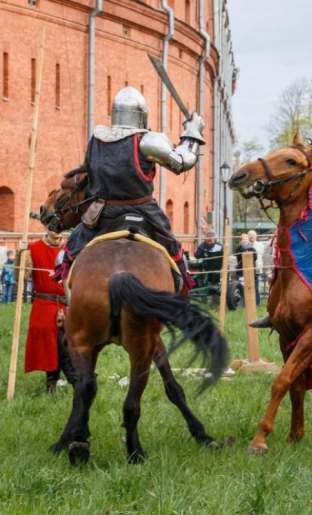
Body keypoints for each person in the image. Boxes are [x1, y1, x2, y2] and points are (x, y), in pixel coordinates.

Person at [53, 86, 204, 294]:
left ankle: (70, 296)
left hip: (101, 213)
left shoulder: (97, 139)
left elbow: (89, 173)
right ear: (142, 115)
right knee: (175, 253)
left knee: (67, 254)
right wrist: (193, 131)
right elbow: (182, 161)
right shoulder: (148, 140)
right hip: (143, 211)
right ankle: (181, 293)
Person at [14, 230, 76, 391]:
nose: (56, 230)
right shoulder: (33, 248)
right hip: (44, 305)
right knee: (49, 346)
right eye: (52, 226)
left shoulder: (72, 247)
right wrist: (20, 254)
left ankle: (74, 379)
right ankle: (55, 381)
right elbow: (21, 276)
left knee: (69, 343)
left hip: (68, 304)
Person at [247, 230, 265, 306]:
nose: (252, 236)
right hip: (247, 269)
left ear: (256, 236)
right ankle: (248, 303)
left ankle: (257, 303)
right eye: (250, 235)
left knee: (257, 287)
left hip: (257, 269)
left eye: (253, 235)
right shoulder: (246, 245)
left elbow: (263, 257)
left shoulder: (260, 245)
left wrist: (260, 266)